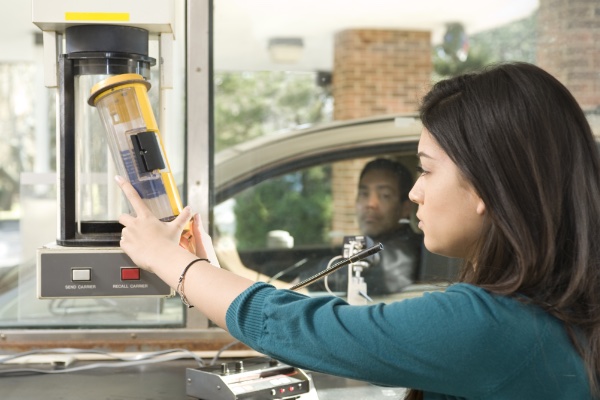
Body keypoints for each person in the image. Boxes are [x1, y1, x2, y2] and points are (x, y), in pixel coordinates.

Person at [116, 62, 598, 399]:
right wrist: (207, 275)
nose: (414, 194)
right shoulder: (552, 317)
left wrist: (174, 263)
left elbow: (311, 328)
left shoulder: (492, 327)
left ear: (486, 189)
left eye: (426, 171)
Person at [301, 158, 422, 296]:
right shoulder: (374, 243)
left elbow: (384, 271)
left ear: (405, 208)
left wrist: (304, 282)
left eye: (385, 195)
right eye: (364, 194)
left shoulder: (407, 246)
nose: (370, 203)